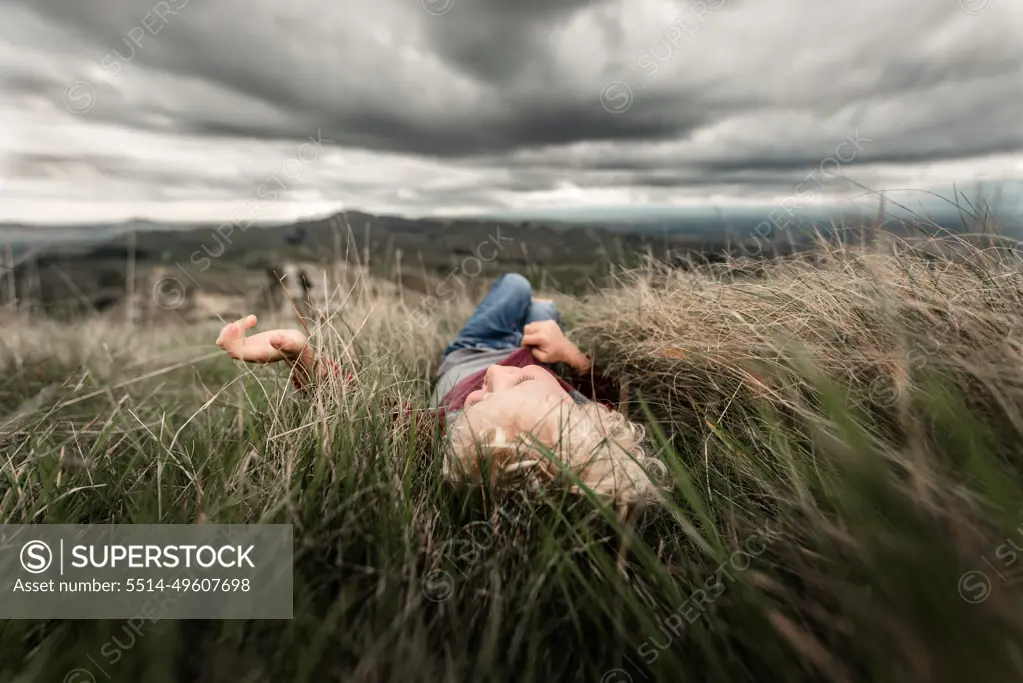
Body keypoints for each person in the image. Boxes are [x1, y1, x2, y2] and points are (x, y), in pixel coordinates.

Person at [215, 273, 663, 506]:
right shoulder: (587, 409)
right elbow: (615, 396)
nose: (491, 380)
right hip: (536, 346)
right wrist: (571, 355)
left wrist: (301, 356)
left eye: (478, 406)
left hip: (472, 349)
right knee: (537, 305)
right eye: (521, 383)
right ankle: (543, 313)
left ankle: (537, 307)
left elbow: (367, 412)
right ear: (580, 409)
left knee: (519, 288)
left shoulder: (455, 437)